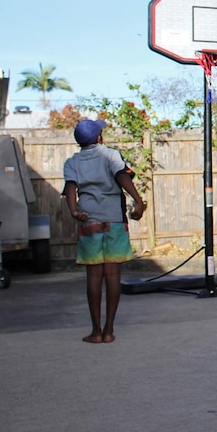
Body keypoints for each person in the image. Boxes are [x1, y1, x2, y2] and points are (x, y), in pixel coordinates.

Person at [63, 119, 146, 344]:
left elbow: (71, 187)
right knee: (112, 276)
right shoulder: (110, 155)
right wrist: (137, 200)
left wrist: (73, 211)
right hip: (114, 221)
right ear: (99, 137)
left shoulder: (72, 162)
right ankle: (109, 330)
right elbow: (122, 176)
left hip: (89, 220)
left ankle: (95, 331)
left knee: (93, 277)